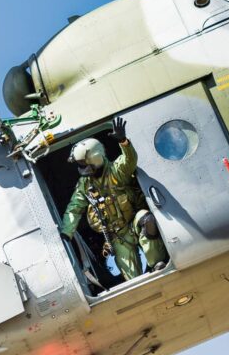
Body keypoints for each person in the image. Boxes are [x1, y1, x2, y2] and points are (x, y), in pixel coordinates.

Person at [60, 117, 168, 281]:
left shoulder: (116, 171)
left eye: (84, 164)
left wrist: (124, 142)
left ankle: (157, 262)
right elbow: (74, 208)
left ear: (95, 159)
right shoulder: (85, 184)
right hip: (117, 236)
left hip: (133, 223)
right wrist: (66, 233)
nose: (83, 170)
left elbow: (130, 160)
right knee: (134, 280)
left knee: (147, 219)